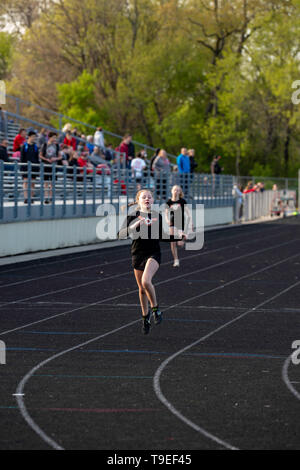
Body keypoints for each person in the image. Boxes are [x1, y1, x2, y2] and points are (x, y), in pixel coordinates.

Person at [118, 189, 186, 334]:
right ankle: (145, 317)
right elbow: (120, 234)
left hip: (153, 253)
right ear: (138, 200)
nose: (147, 199)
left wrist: (178, 237)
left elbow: (162, 236)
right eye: (144, 197)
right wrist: (135, 225)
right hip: (137, 254)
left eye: (149, 197)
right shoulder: (132, 216)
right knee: (142, 289)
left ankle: (156, 309)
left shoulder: (156, 216)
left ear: (153, 200)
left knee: (146, 281)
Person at [165, 185, 192, 267]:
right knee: (172, 242)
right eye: (174, 190)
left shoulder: (182, 201)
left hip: (181, 222)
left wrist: (191, 222)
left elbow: (188, 213)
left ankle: (182, 238)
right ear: (171, 191)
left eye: (178, 190)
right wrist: (167, 220)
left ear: (180, 192)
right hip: (172, 223)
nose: (176, 191)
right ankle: (176, 260)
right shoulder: (169, 202)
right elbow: (166, 214)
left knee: (180, 244)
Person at [40, 131, 62, 204]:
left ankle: (51, 198)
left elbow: (60, 156)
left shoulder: (57, 146)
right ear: (49, 137)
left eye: (55, 137)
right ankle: (46, 198)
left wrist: (55, 159)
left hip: (54, 165)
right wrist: (46, 159)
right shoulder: (45, 145)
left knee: (52, 183)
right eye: (53, 137)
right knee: (46, 182)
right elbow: (40, 155)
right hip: (46, 165)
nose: (55, 139)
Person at [20, 131, 40, 204]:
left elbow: (37, 158)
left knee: (32, 183)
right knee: (25, 182)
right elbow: (22, 158)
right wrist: (22, 167)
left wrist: (37, 167)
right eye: (33, 136)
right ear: (29, 137)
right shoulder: (24, 146)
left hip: (34, 167)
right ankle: (26, 198)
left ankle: (31, 197)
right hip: (26, 166)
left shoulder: (35, 147)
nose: (34, 138)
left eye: (35, 137)